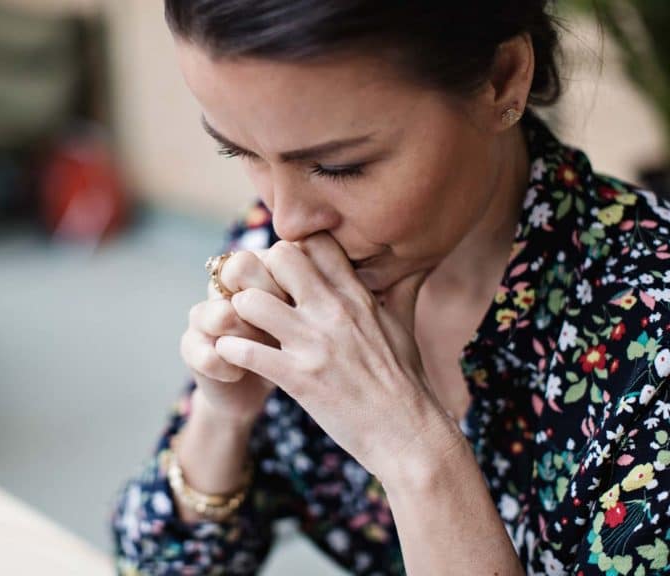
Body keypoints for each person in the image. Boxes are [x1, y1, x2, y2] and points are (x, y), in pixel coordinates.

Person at [110, 2, 670, 574]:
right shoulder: (279, 250)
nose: (287, 220)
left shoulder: (652, 336)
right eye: (241, 151)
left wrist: (413, 450)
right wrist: (222, 416)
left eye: (340, 166)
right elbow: (156, 564)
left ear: (502, 79)